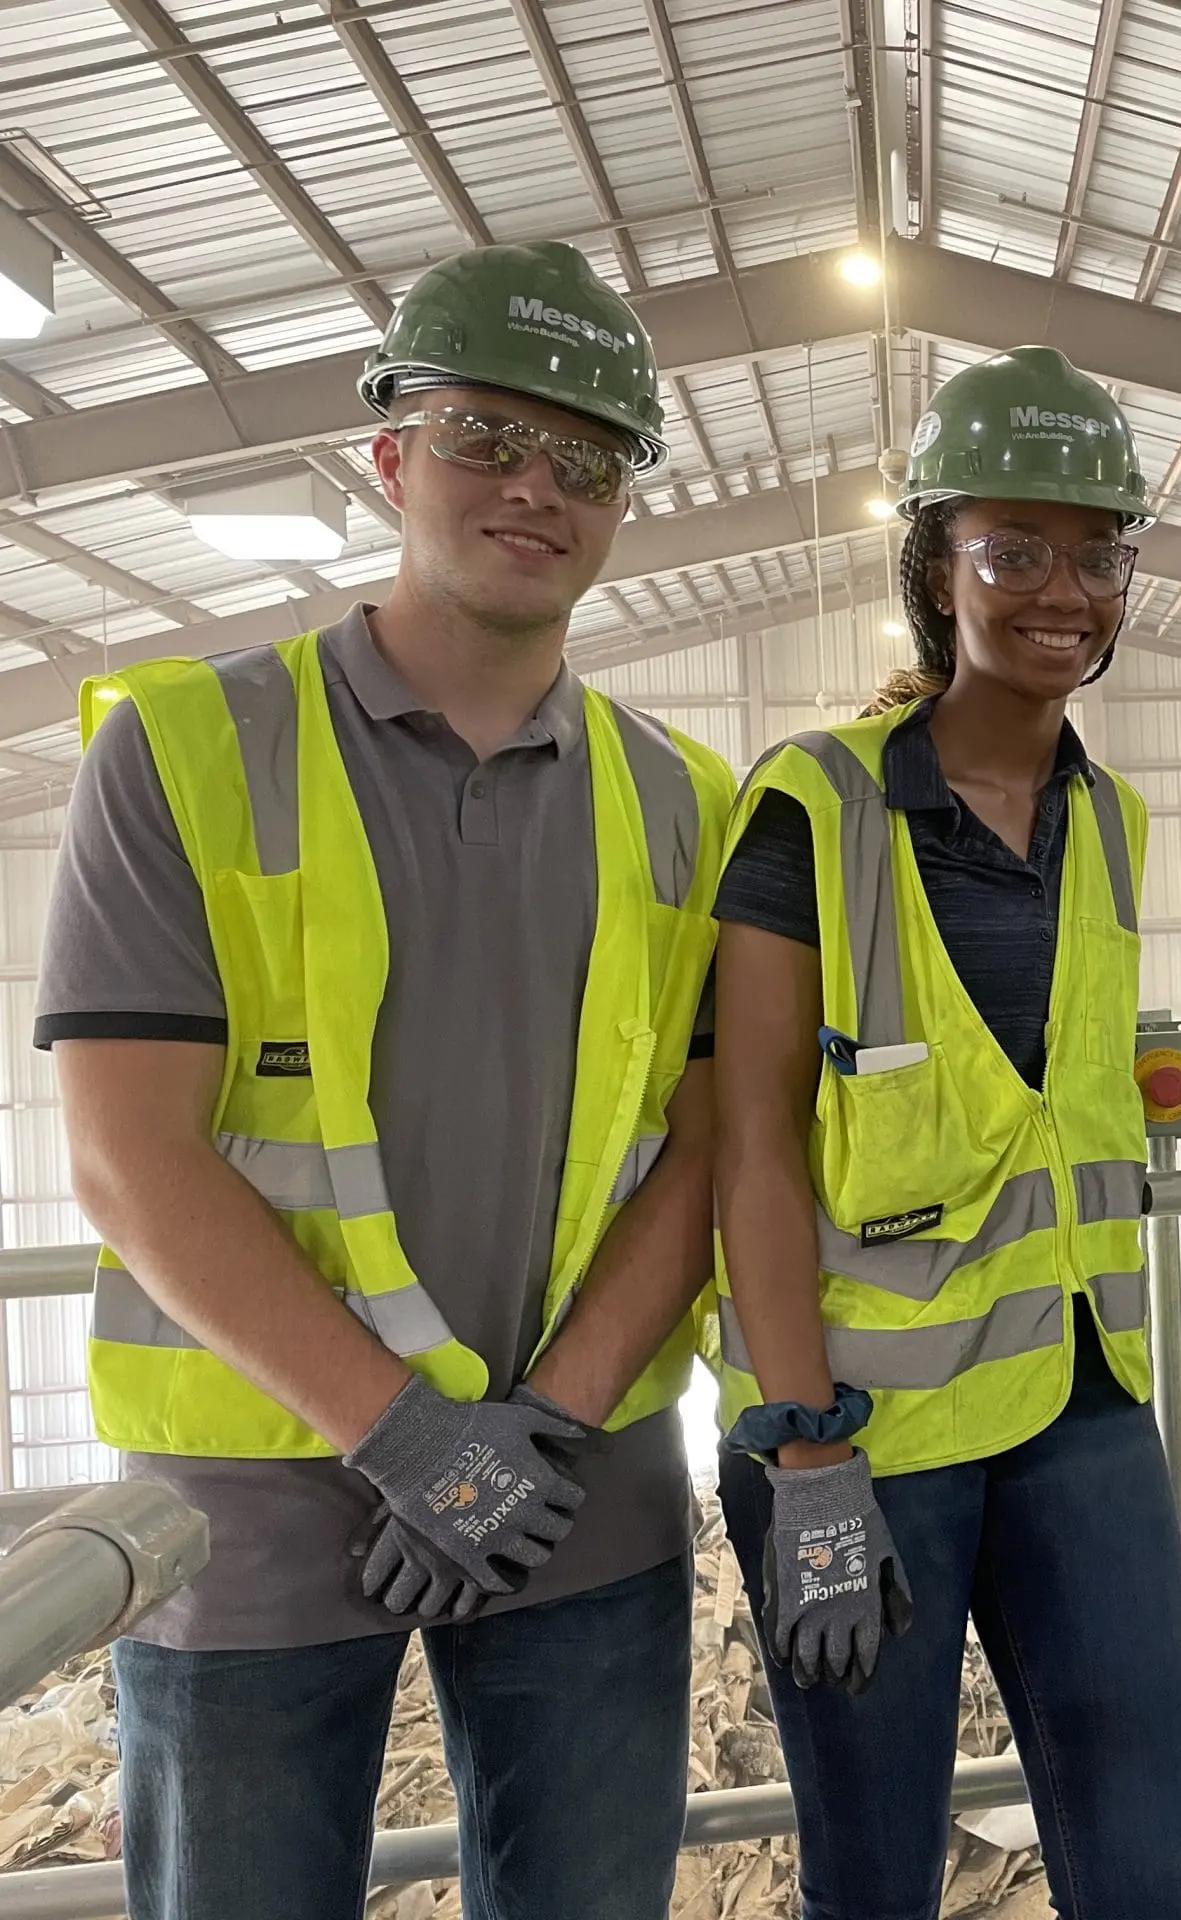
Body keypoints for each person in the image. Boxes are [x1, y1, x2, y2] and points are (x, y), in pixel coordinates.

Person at [37, 240, 732, 1919]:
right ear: (390, 454)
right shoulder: (189, 751)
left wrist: (537, 1428)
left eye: (586, 455)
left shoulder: (685, 804)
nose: (535, 485)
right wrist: (406, 1434)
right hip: (252, 1518)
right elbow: (131, 1155)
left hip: (583, 1495)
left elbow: (705, 1156)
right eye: (487, 433)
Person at [705, 345, 1181, 1918]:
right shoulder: (816, 806)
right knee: (874, 1877)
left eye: (1097, 553)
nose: (1064, 590)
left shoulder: (1112, 826)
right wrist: (805, 1455)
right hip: (865, 1438)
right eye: (1014, 552)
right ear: (935, 569)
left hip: (1086, 1409)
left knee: (1148, 1876)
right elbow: (754, 1150)